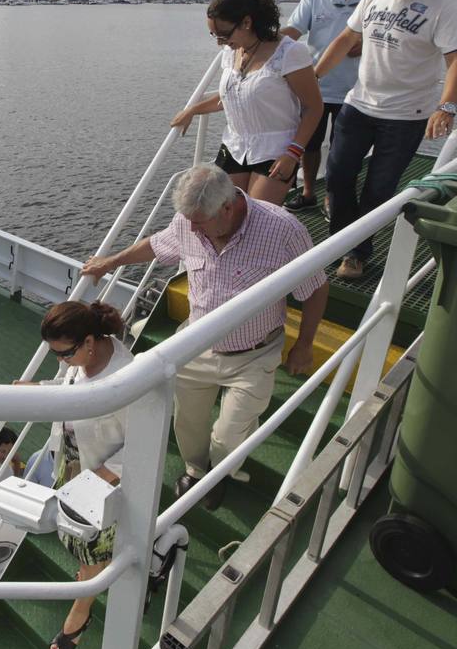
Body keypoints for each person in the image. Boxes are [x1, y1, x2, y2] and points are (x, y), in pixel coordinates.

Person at [82, 165, 328, 507]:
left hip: (254, 353)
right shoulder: (190, 222)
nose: (192, 229)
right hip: (197, 344)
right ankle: (197, 472)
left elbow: (315, 289)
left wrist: (303, 344)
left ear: (227, 207)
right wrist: (110, 262)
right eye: (188, 221)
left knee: (229, 435)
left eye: (199, 221)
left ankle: (220, 472)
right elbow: (157, 245)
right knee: (187, 421)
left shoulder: (282, 230)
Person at [313, 0, 457, 279]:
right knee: (337, 178)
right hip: (360, 103)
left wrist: (446, 106)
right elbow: (345, 39)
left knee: (378, 190)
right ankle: (339, 242)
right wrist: (314, 77)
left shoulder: (444, 3)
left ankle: (356, 253)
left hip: (405, 116)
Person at [16, 301, 133, 649]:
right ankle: (91, 572)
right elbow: (72, 387)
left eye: (64, 354)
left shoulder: (125, 379)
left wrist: (96, 479)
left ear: (88, 343)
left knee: (90, 539)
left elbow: (141, 442)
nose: (60, 361)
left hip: (103, 472)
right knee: (78, 530)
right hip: (73, 457)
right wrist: (39, 388)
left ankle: (82, 608)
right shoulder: (81, 360)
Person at [172, 0, 324, 205]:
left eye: (223, 35)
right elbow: (230, 96)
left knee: (257, 223)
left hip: (275, 151)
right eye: (214, 35)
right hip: (235, 146)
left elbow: (314, 107)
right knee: (223, 215)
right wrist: (192, 110)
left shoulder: (290, 53)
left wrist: (293, 154)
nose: (219, 43)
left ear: (246, 22)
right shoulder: (232, 51)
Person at [283, 0, 375, 212]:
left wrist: (367, 42)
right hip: (317, 86)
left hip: (356, 89)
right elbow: (295, 29)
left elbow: (389, 34)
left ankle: (332, 198)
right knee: (309, 145)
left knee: (344, 150)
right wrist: (263, 42)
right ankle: (310, 192)